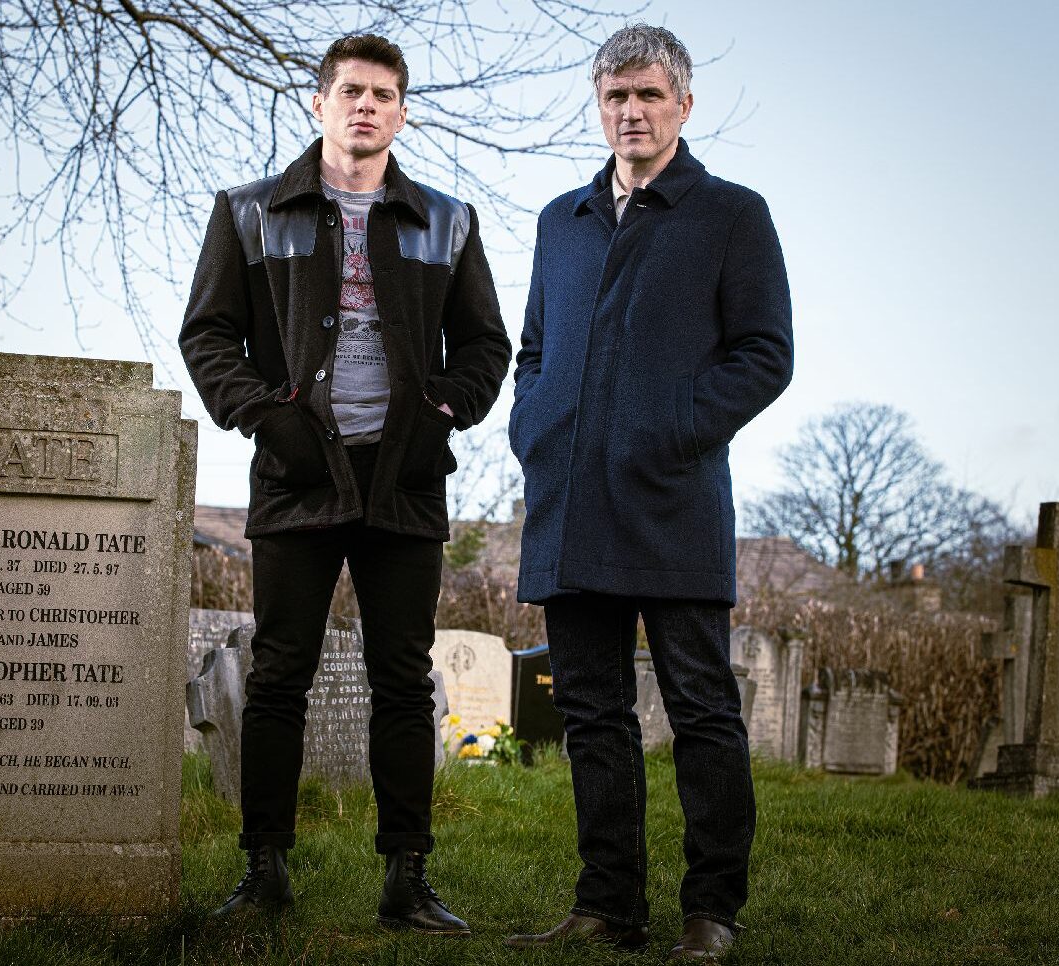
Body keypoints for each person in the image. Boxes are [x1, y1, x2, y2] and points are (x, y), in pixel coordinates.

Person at [178, 33, 510, 935]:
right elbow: (207, 333)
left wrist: (443, 411)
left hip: (403, 479)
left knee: (401, 677)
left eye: (385, 95)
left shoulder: (446, 219)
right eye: (352, 91)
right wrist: (265, 417)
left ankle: (408, 879)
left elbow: (486, 344)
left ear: (400, 113)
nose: (367, 106)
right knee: (279, 671)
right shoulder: (250, 212)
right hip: (296, 474)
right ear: (318, 103)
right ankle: (264, 873)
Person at [502, 24, 792, 961]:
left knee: (702, 709)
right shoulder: (562, 220)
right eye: (615, 98)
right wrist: (535, 429)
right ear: (600, 107)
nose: (630, 112)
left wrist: (667, 430)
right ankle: (607, 905)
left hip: (673, 500)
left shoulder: (730, 215)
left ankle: (711, 910)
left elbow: (764, 356)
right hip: (571, 501)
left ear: (683, 106)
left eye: (648, 97)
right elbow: (534, 348)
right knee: (590, 712)